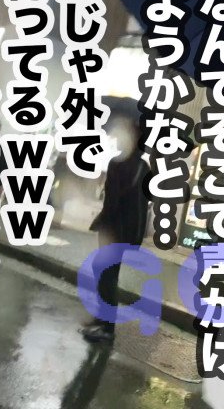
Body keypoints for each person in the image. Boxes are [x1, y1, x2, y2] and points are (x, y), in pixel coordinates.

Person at [80, 119, 148, 344]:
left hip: (113, 231)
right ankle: (102, 319)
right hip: (129, 231)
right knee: (106, 274)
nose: (117, 138)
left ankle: (106, 328)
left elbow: (112, 201)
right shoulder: (143, 167)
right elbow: (144, 202)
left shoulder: (119, 164)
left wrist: (100, 222)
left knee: (106, 277)